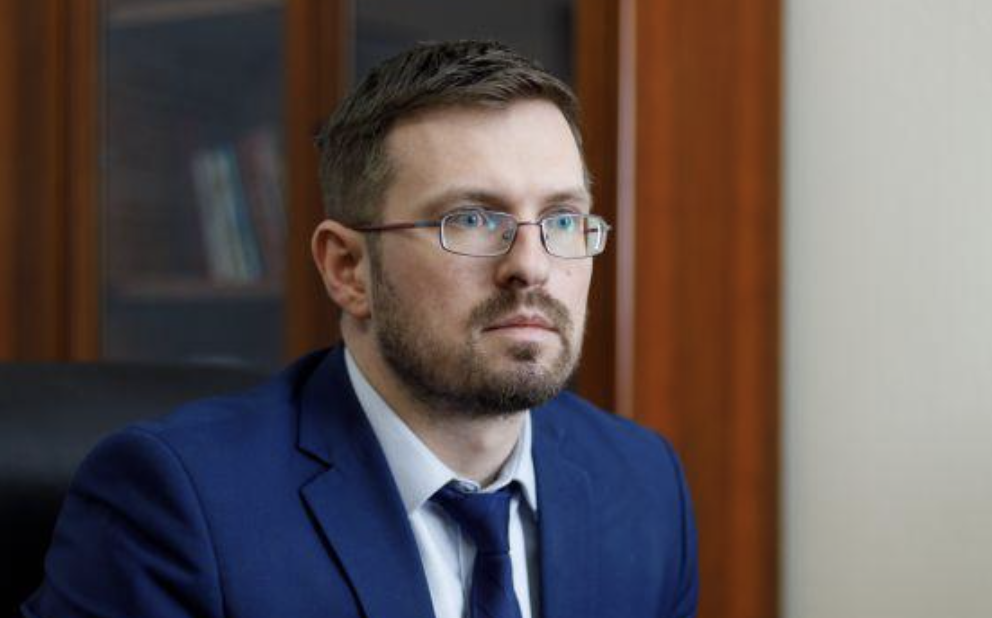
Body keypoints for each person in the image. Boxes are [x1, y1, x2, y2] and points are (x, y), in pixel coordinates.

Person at [22, 40, 698, 618]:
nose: (531, 266)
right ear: (347, 269)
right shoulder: (177, 504)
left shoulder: (643, 484)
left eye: (562, 219)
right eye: (469, 219)